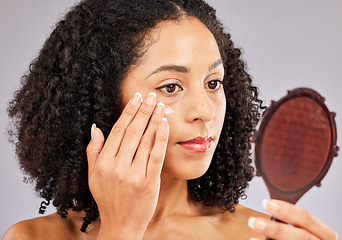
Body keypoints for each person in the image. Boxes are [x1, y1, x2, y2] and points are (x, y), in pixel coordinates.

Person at [3, 0, 337, 239]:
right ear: (102, 101)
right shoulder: (32, 236)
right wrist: (122, 231)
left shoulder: (260, 235)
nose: (204, 111)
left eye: (213, 83)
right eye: (171, 86)